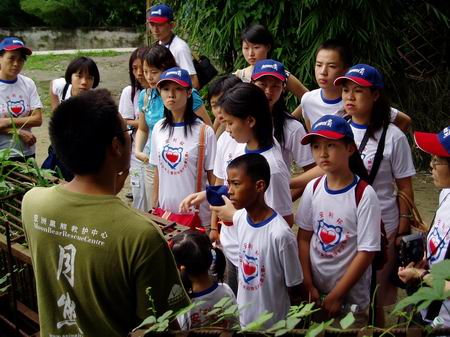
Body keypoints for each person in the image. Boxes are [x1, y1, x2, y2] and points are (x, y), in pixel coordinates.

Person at [21, 89, 189, 337]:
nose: (130, 137)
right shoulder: (141, 236)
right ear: (115, 146)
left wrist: (109, 196)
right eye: (127, 132)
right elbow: (163, 326)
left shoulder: (32, 203)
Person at [334, 64, 416, 326]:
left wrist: (402, 228)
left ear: (376, 95)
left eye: (358, 91)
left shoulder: (393, 137)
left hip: (384, 226)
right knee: (345, 288)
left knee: (376, 295)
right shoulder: (338, 130)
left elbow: (404, 186)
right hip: (344, 222)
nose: (349, 96)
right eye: (346, 90)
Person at [296, 115, 381, 327]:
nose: (322, 153)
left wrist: (337, 294)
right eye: (316, 147)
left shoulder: (364, 194)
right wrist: (307, 282)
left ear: (350, 148)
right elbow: (304, 237)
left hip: (350, 298)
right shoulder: (313, 188)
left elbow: (367, 252)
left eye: (331, 145)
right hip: (315, 293)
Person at [211, 153, 303, 328]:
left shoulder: (280, 234)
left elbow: (295, 287)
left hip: (274, 327)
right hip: (245, 322)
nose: (229, 191)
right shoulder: (241, 219)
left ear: (259, 185)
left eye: (236, 184)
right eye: (229, 184)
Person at [134, 45, 212, 211]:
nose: (148, 77)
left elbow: (206, 129)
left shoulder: (191, 103)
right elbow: (143, 128)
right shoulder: (146, 96)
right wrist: (138, 151)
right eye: (145, 71)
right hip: (154, 162)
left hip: (188, 164)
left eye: (153, 72)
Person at [150, 67, 216, 228]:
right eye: (165, 89)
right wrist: (154, 205)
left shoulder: (204, 132)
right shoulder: (159, 128)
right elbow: (158, 169)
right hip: (165, 215)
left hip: (197, 218)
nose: (171, 94)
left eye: (178, 89)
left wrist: (214, 225)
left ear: (188, 93)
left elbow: (214, 180)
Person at [398, 126, 450, 327]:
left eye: (437, 160)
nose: (431, 165)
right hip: (429, 314)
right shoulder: (445, 194)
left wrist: (421, 275)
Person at [298, 39, 411, 132]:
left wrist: (382, 148)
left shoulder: (356, 101)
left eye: (331, 66)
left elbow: (404, 121)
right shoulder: (308, 100)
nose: (323, 72)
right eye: (318, 65)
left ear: (346, 70)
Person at [44, 56, 101, 181]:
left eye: (89, 78)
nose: (84, 82)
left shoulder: (94, 102)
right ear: (70, 76)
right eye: (79, 76)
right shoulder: (61, 87)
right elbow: (52, 85)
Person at [172, 231, 238, 330]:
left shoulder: (185, 305)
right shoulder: (226, 291)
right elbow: (236, 324)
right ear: (211, 258)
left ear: (181, 267)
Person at [235, 23, 308, 100]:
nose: (250, 53)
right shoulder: (238, 76)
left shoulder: (282, 75)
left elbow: (308, 98)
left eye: (256, 47)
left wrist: (289, 113)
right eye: (246, 48)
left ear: (268, 47)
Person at [0, 36, 42, 161]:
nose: (16, 64)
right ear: (0, 58)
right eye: (11, 58)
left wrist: (6, 121)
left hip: (27, 154)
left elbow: (37, 119)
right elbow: (32, 117)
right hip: (2, 155)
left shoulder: (28, 83)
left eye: (21, 59)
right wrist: (18, 132)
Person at [118, 47, 150, 210]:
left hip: (156, 152)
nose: (138, 73)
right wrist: (146, 123)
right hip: (137, 151)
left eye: (142, 68)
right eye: (134, 68)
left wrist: (140, 122)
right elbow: (125, 120)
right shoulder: (129, 92)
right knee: (139, 195)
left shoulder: (161, 91)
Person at [147, 3, 200, 89]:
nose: (155, 29)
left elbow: (194, 83)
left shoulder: (180, 48)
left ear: (171, 25)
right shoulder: (159, 44)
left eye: (160, 24)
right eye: (152, 24)